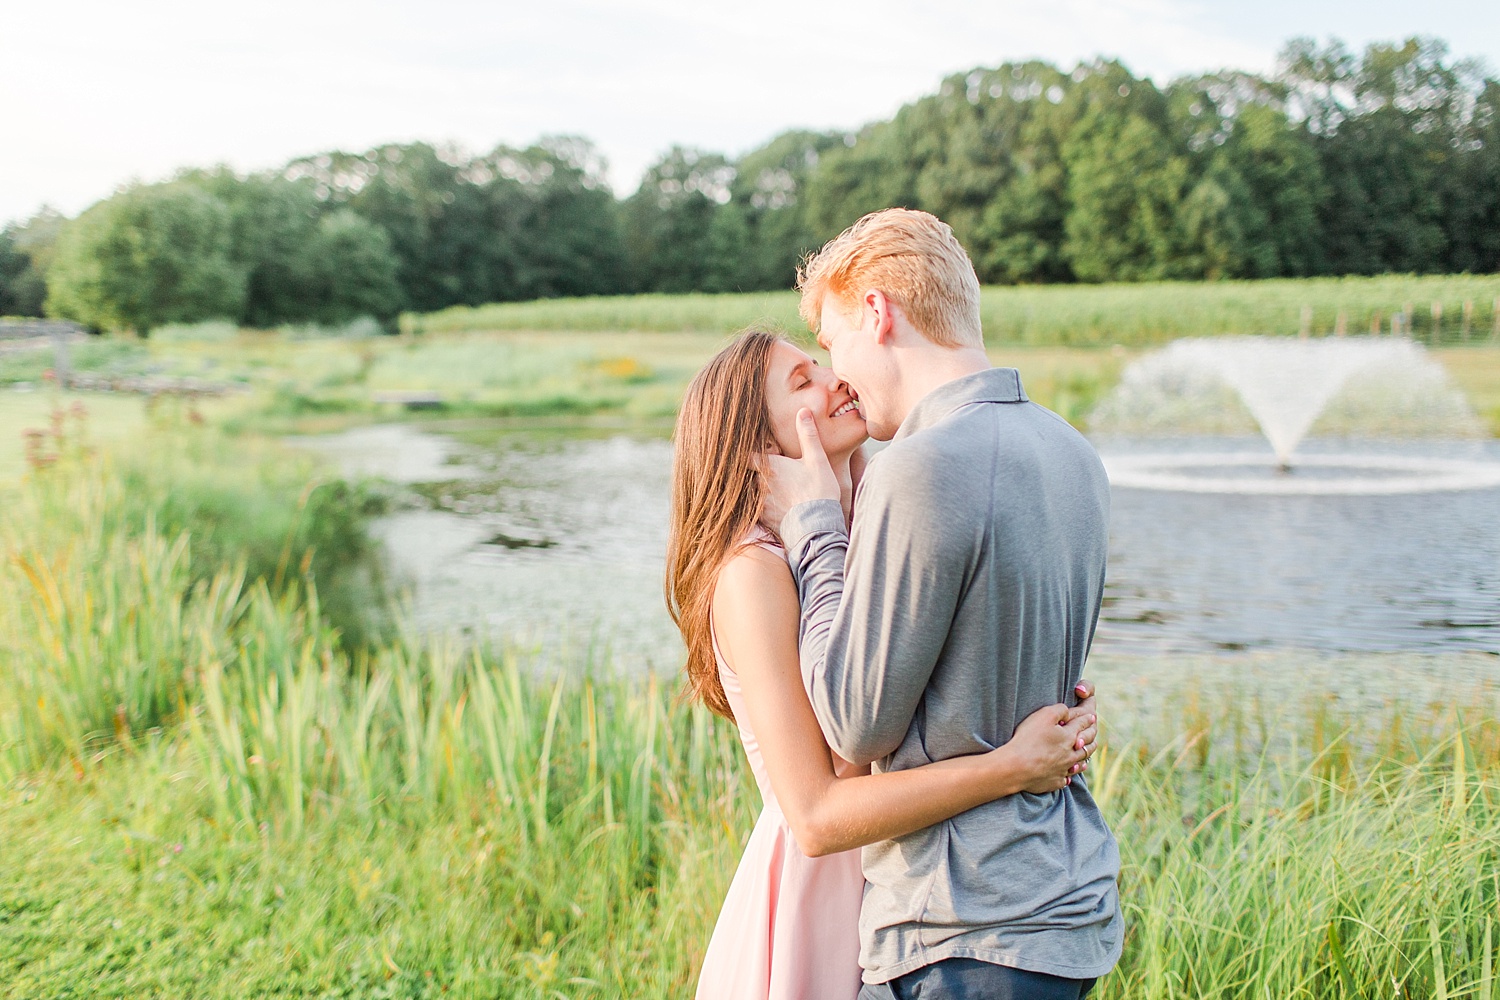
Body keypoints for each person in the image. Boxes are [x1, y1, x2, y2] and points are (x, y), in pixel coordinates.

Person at [666, 328, 1102, 1000]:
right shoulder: (753, 572)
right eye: (802, 381)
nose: (836, 378)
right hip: (824, 891)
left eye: (822, 363)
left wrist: (1046, 701)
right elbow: (814, 817)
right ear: (755, 445)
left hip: (906, 881)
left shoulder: (869, 527)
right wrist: (1012, 766)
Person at [760, 208, 1123, 999]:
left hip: (964, 930)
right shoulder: (1074, 453)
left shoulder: (921, 466)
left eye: (833, 344)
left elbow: (852, 722)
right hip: (1066, 909)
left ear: (878, 313)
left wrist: (817, 524)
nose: (839, 377)